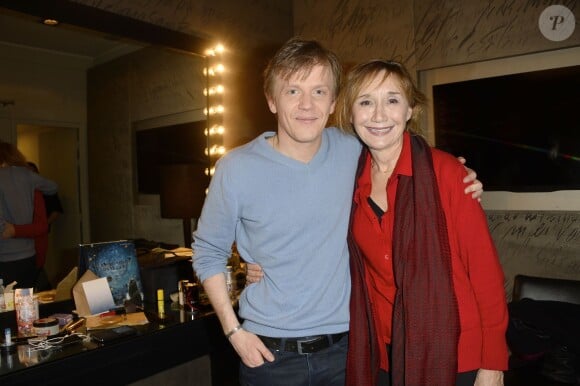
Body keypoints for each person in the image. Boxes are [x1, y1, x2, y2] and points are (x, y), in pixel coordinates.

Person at [192, 37, 483, 386]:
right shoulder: (236, 168)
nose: (307, 105)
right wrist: (233, 331)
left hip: (349, 350)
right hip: (269, 357)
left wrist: (456, 173)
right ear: (271, 100)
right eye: (292, 91)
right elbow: (208, 252)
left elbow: (402, 149)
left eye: (319, 92)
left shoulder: (353, 150)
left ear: (333, 102)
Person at [334, 60, 508, 386]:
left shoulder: (446, 173)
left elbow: (485, 273)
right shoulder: (348, 180)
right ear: (350, 111)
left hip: (456, 352)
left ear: (410, 109)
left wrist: (493, 362)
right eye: (366, 101)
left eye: (393, 100)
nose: (379, 115)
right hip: (385, 354)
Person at [0, 141, 58, 289]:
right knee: (24, 305)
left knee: (6, 306)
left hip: (5, 256)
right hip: (28, 257)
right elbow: (52, 187)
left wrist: (10, 229)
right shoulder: (29, 179)